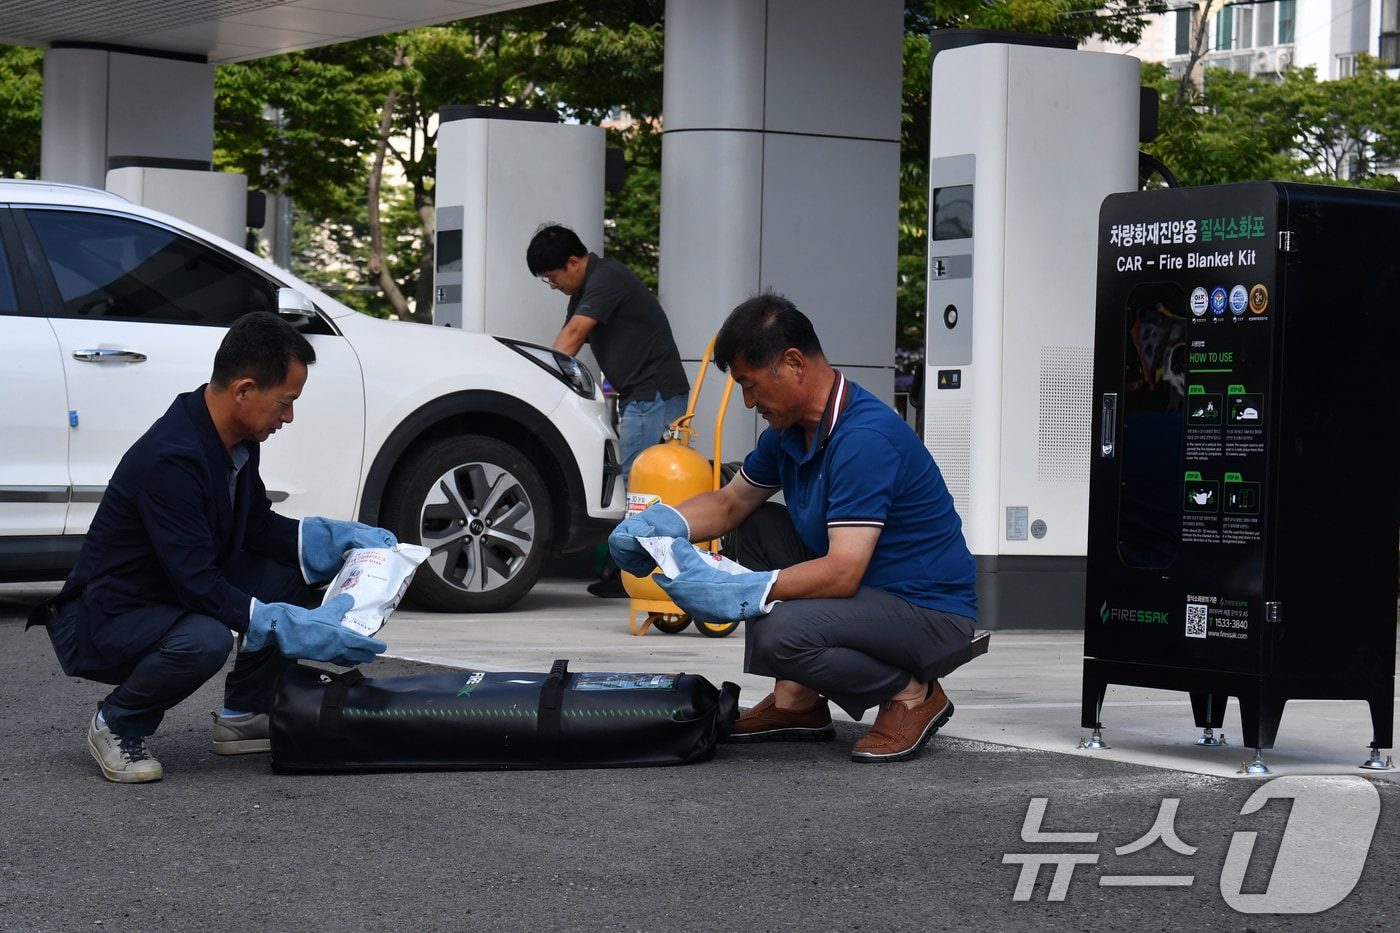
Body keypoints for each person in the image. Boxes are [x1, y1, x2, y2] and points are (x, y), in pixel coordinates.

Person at [608, 293, 979, 763]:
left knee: (780, 631)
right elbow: (729, 504)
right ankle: (798, 701)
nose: (747, 401)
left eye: (751, 384)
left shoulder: (864, 438)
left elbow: (843, 571)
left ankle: (913, 694)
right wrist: (661, 524)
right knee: (754, 526)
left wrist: (746, 589)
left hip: (928, 611)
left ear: (793, 363)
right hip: (870, 591)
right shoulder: (787, 435)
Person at [28, 312, 395, 783]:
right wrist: (290, 625)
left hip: (164, 588)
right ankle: (118, 724)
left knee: (293, 569)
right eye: (284, 403)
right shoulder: (171, 459)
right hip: (106, 616)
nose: (289, 417)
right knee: (205, 639)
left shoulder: (235, 434)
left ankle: (246, 714)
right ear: (244, 390)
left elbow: (255, 527)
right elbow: (198, 584)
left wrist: (338, 541)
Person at [526, 223, 690, 597]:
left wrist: (534, 384)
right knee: (638, 484)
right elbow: (567, 342)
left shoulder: (607, 277)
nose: (554, 286)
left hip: (654, 395)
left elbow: (573, 336)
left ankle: (635, 575)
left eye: (553, 278)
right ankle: (633, 570)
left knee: (642, 485)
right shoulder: (587, 287)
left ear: (573, 262)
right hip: (641, 397)